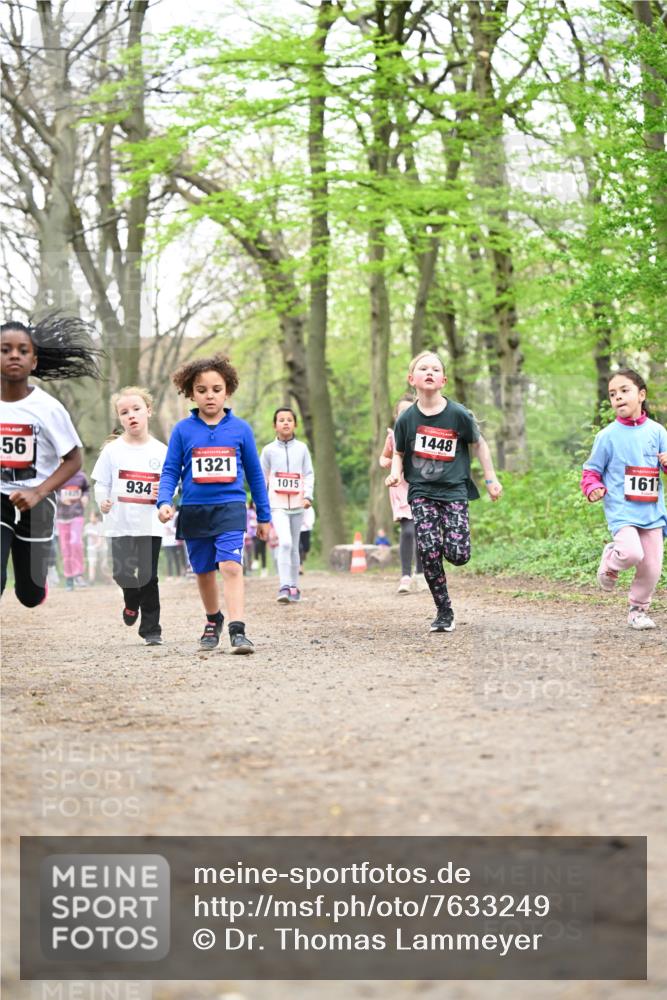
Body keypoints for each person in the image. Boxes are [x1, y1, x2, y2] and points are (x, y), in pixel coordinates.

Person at [157, 353, 270, 653]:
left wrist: (264, 516)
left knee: (230, 565)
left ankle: (237, 629)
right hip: (194, 510)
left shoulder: (240, 429)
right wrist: (164, 501)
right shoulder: (182, 430)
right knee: (204, 570)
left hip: (231, 507)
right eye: (202, 390)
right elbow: (170, 470)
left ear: (227, 391)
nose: (210, 395)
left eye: (216, 389)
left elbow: (255, 476)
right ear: (191, 393)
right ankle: (213, 619)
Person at [387, 351, 502, 633]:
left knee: (458, 555)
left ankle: (448, 548)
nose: (429, 372)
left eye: (435, 369)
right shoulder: (406, 419)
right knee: (428, 550)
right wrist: (395, 473)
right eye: (423, 368)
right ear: (411, 378)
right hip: (421, 491)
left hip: (454, 491)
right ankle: (443, 610)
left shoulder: (458, 414)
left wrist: (491, 479)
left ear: (444, 380)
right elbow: (399, 452)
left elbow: (479, 444)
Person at [1, 315, 99, 607]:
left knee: (29, 595)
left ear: (34, 362)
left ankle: (36, 584)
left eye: (23, 350)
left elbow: (73, 460)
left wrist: (38, 492)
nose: (14, 355)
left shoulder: (48, 408)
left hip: (38, 501)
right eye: (5, 350)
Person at [581, 368, 667, 630]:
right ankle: (611, 560)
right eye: (612, 394)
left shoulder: (658, 432)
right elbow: (591, 471)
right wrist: (593, 487)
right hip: (622, 509)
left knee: (652, 567)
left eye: (624, 390)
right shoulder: (606, 436)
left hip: (652, 511)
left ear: (641, 395)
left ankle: (638, 611)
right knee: (631, 553)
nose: (617, 397)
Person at [91, 386, 167, 646]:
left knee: (148, 576)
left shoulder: (161, 450)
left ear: (149, 411)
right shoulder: (112, 451)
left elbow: (171, 483)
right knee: (122, 574)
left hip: (149, 523)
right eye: (124, 412)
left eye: (136, 409)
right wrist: (102, 500)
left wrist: (163, 493)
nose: (131, 415)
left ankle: (151, 629)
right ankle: (131, 600)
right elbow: (100, 483)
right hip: (119, 523)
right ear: (120, 418)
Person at [260, 406, 314, 603]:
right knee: (285, 542)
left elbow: (308, 473)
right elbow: (261, 478)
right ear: (274, 425)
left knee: (294, 546)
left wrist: (308, 496)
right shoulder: (268, 451)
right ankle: (284, 586)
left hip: (299, 504)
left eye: (289, 420)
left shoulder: (302, 449)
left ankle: (294, 587)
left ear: (295, 425)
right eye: (281, 420)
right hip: (277, 505)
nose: (285, 423)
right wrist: (262, 504)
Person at [380, 394, 425, 594]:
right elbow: (383, 456)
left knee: (423, 531)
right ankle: (405, 576)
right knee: (408, 531)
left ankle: (420, 574)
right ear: (396, 416)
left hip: (422, 485)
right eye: (402, 412)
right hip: (400, 487)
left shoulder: (425, 434)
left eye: (410, 410)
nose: (406, 415)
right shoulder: (392, 436)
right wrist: (386, 462)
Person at [56, 469, 89, 590]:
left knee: (75, 543)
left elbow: (86, 489)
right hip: (62, 516)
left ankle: (78, 574)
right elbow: (51, 492)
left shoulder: (81, 476)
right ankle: (69, 578)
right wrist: (60, 498)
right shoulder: (58, 474)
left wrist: (85, 497)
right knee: (65, 548)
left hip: (77, 514)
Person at [83, 508, 109, 585]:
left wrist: (97, 545)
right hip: (91, 548)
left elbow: (101, 540)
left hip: (102, 548)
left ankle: (108, 579)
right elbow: (82, 536)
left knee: (103, 565)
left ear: (97, 518)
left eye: (92, 516)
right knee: (92, 563)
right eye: (90, 516)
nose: (91, 518)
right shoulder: (87, 526)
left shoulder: (101, 526)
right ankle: (91, 580)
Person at [299, 504, 315, 574]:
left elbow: (311, 517)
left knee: (306, 547)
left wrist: (308, 524)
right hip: (297, 529)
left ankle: (304, 553)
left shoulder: (309, 508)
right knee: (299, 548)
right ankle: (300, 567)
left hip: (306, 529)